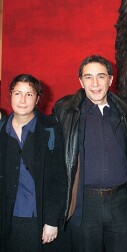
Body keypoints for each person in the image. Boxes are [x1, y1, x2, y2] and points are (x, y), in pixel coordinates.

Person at [52, 55, 127, 252]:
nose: (95, 83)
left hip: (121, 202)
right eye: (88, 77)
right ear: (80, 81)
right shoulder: (65, 110)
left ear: (110, 80)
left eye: (101, 76)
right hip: (85, 204)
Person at [0, 74, 66, 252]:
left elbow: (60, 179)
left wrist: (52, 220)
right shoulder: (1, 129)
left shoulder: (51, 129)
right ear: (10, 95)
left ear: (37, 99)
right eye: (17, 93)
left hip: (38, 218)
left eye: (29, 94)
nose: (22, 100)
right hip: (7, 218)